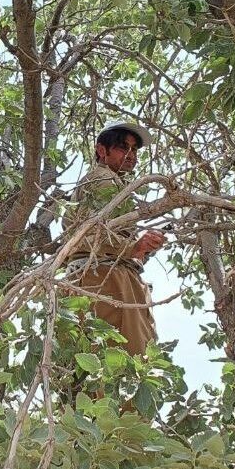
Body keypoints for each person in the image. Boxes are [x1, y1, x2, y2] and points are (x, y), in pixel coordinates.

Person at [65, 122, 166, 356]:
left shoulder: (117, 184)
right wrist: (134, 246)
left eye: (134, 151)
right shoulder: (103, 179)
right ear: (102, 150)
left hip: (108, 276)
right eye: (123, 148)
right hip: (104, 279)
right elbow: (88, 234)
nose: (131, 156)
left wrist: (143, 250)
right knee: (117, 365)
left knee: (109, 368)